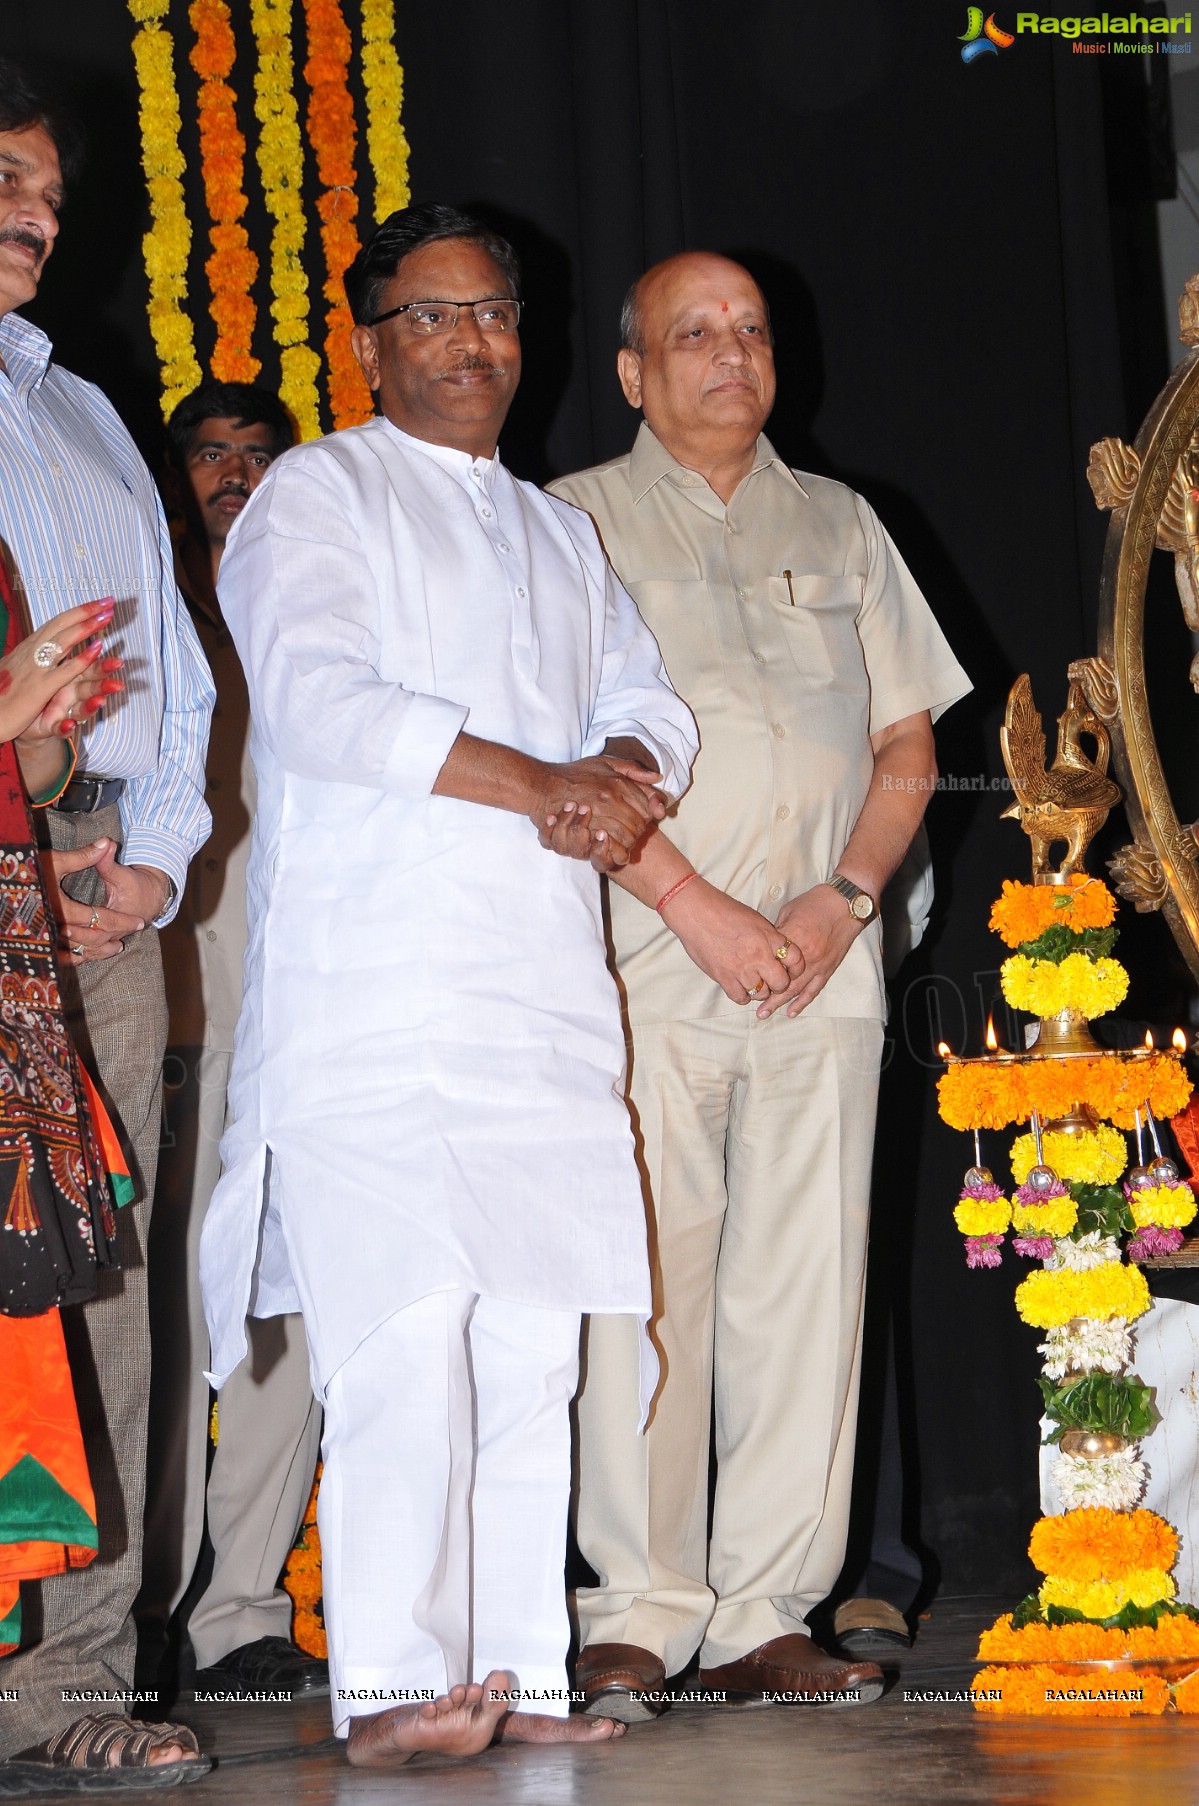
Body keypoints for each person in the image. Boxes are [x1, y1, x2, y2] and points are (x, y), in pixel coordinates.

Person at [199, 203, 698, 1768]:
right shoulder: (313, 499)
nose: (474, 341)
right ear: (367, 343)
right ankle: (395, 1686)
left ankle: (520, 1678)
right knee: (405, 1338)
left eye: (495, 314)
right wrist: (552, 779)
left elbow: (648, 699)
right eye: (433, 315)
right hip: (378, 1000)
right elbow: (326, 703)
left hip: (539, 999)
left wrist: (617, 772)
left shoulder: (555, 528)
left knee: (533, 1350)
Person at [547, 251, 971, 1714]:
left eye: (750, 330)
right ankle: (640, 1606)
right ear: (633, 373)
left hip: (827, 970)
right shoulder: (570, 522)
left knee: (809, 1291)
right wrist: (712, 913)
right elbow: (555, 770)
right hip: (649, 964)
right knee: (645, 1293)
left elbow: (909, 748)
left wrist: (844, 901)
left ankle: (765, 1612)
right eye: (693, 333)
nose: (730, 353)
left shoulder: (844, 522)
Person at [0, 62, 213, 1780]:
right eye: (4, 177)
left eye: (51, 196)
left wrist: (155, 848)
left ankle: (72, 1683)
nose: (33, 213)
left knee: (101, 1297)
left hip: (94, 897)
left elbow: (183, 673)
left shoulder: (81, 419)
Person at [139, 382, 327, 1701]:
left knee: (279, 1323)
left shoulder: (327, 612)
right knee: (152, 1325)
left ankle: (243, 1608)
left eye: (255, 454)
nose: (231, 475)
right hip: (171, 1025)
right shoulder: (151, 608)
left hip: (307, 1032)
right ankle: (138, 1610)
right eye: (207, 455)